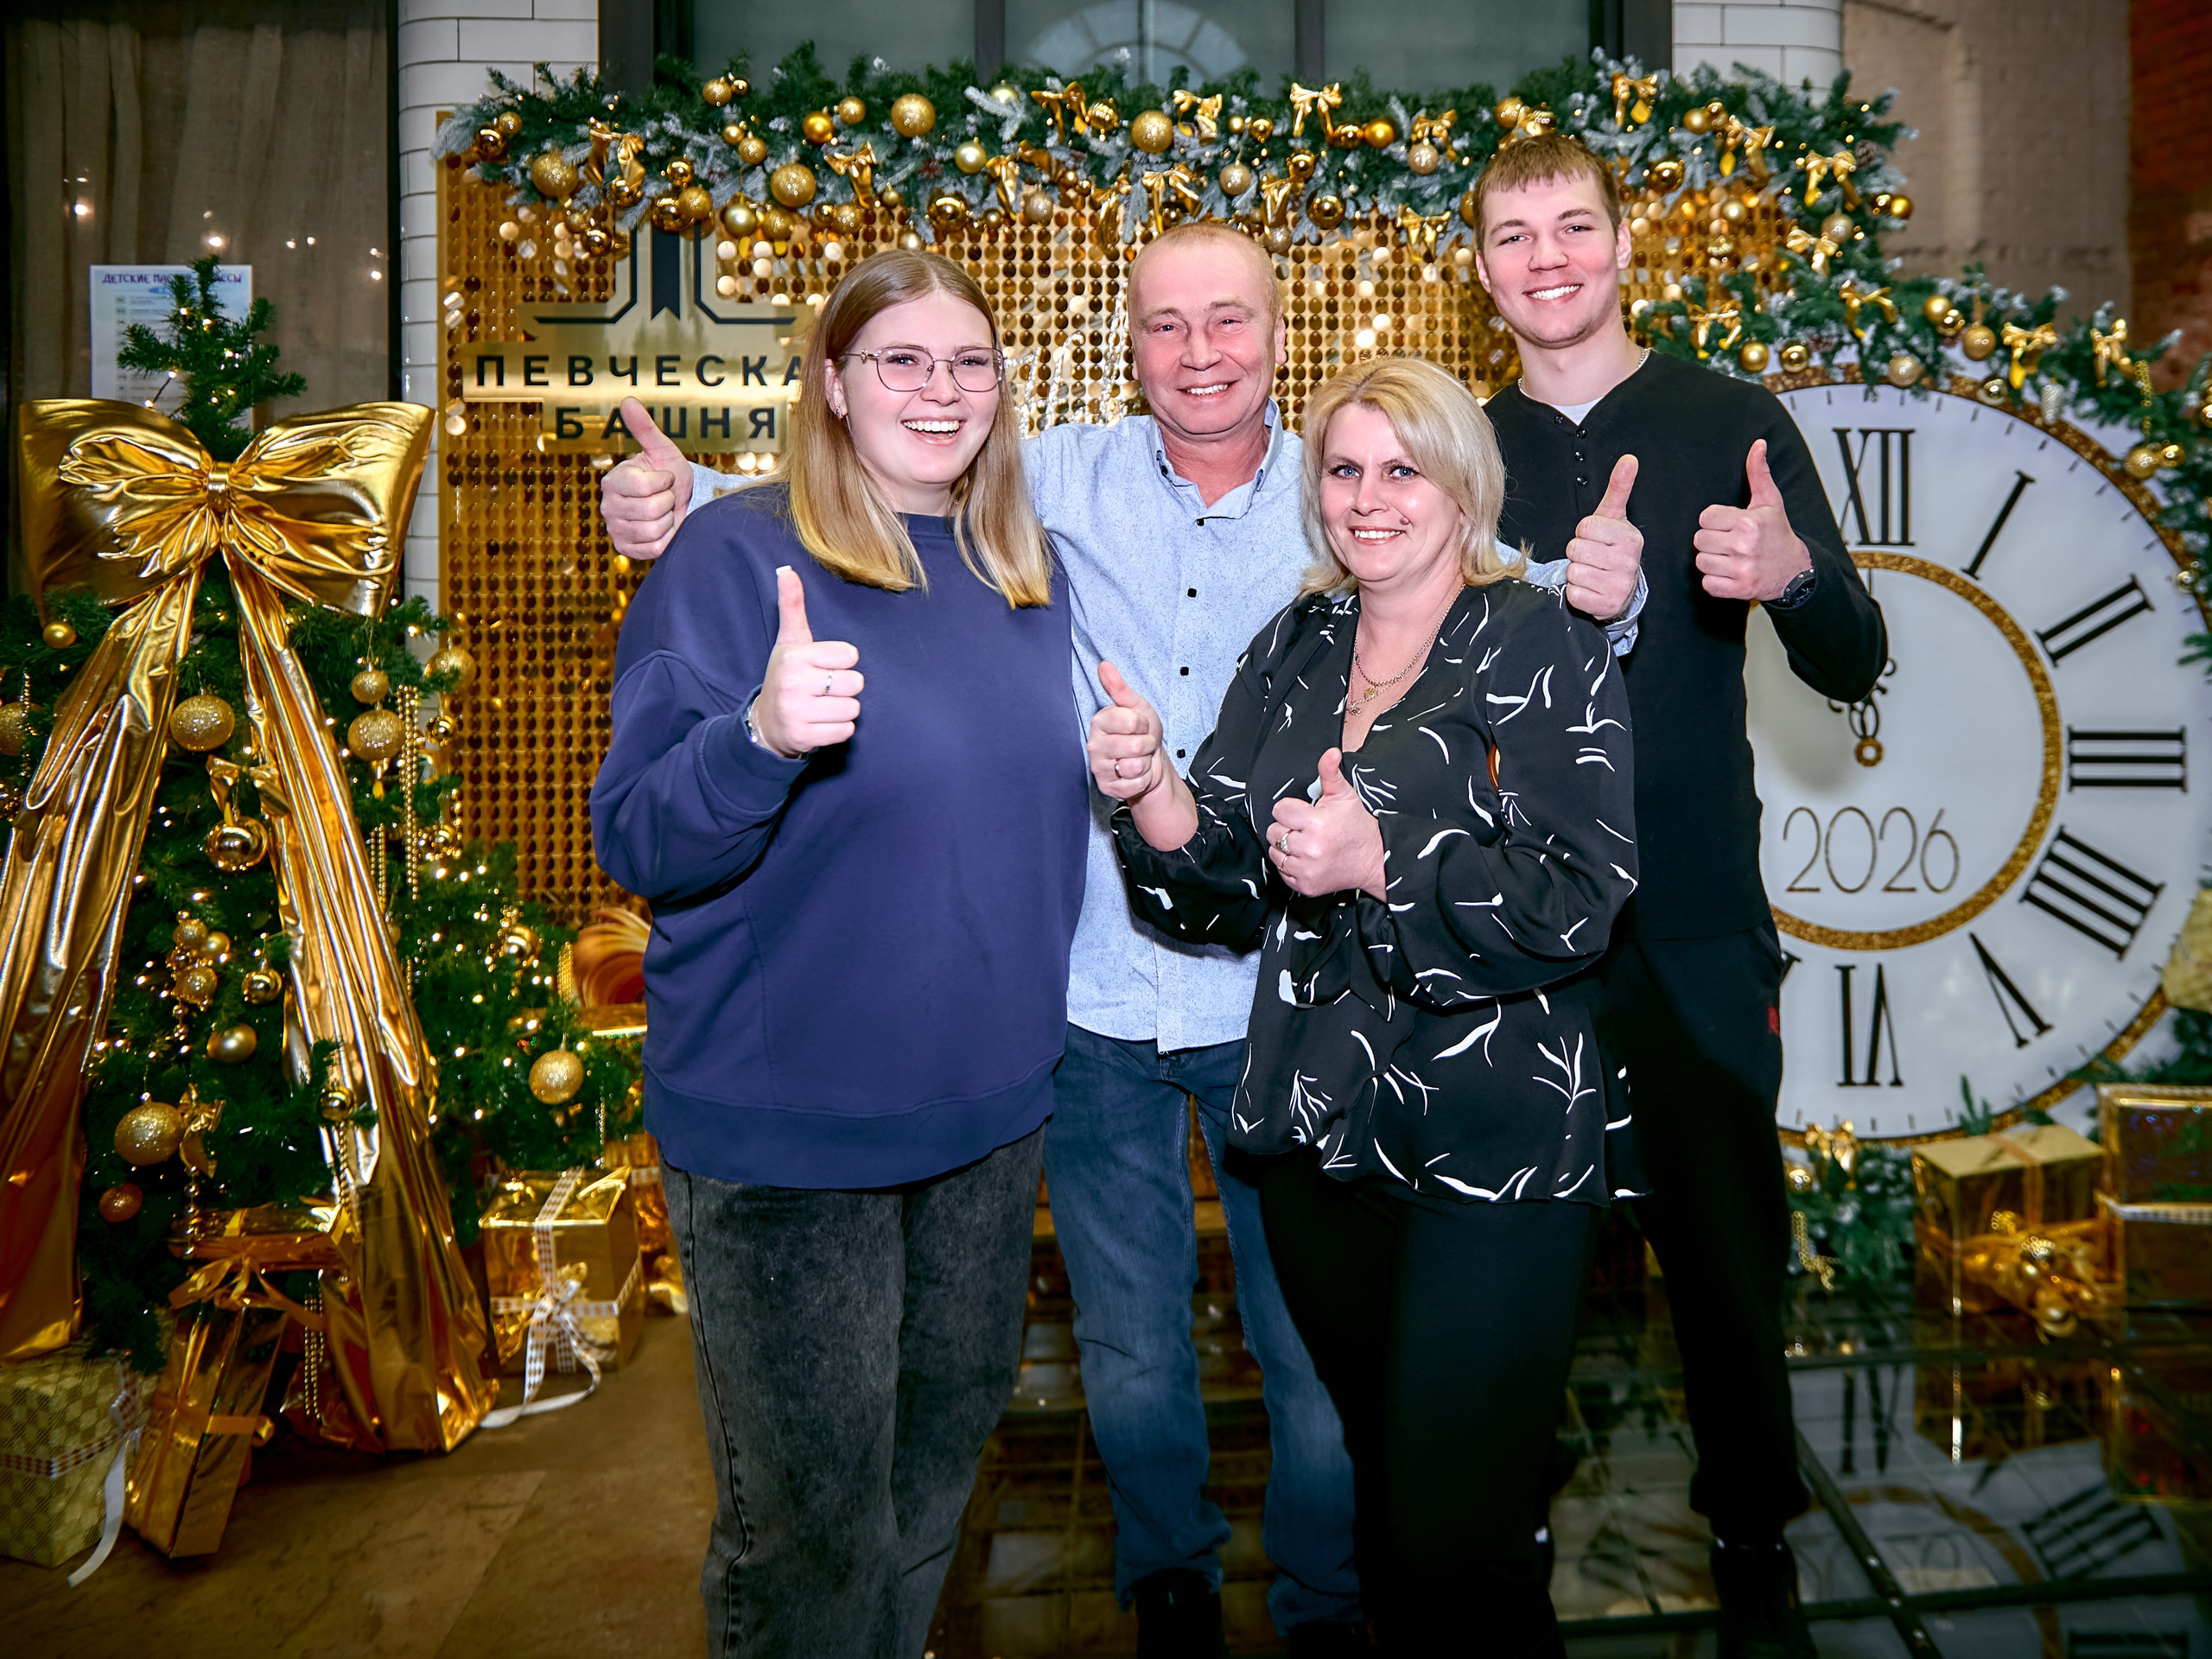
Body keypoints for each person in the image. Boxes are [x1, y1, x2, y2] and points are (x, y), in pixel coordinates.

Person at [600, 223, 1644, 1655]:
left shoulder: (1422, 578)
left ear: (1281, 335)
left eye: (1232, 321)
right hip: (1082, 1022)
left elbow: (1556, 724)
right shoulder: (1052, 515)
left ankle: (1327, 1602)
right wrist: (687, 508)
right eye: (1168, 325)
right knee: (1087, 1381)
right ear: (1125, 346)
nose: (1202, 352)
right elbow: (831, 518)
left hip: (1375, 1091)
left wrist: (1624, 595)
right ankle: (1172, 1582)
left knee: (1375, 1451)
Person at [1090, 354, 1640, 1656]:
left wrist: (1384, 864)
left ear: (1464, 490)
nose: (1371, 497)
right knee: (1392, 1513)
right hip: (1323, 1146)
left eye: (1404, 469)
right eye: (1345, 469)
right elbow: (1226, 867)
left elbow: (1586, 891)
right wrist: (1155, 791)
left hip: (1495, 1149)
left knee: (1464, 1533)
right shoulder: (1298, 644)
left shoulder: (1540, 637)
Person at [590, 249, 1086, 1659]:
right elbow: (639, 840)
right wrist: (757, 740)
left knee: (930, 1483)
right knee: (808, 1536)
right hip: (790, 1139)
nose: (942, 390)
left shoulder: (1018, 568)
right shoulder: (733, 556)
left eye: (969, 362)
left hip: (988, 1122)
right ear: (831, 383)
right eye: (901, 362)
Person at [1471, 134, 1888, 1659]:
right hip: (1512, 921)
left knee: (1724, 1235)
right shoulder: (1457, 439)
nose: (1548, 257)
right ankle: (1504, 1499)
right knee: (1513, 1236)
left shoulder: (1733, 420)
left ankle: (1753, 1526)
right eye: (1514, 235)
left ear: (1626, 242)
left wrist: (1792, 574)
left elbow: (1853, 661)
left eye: (1573, 225)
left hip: (1700, 911)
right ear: (1482, 266)